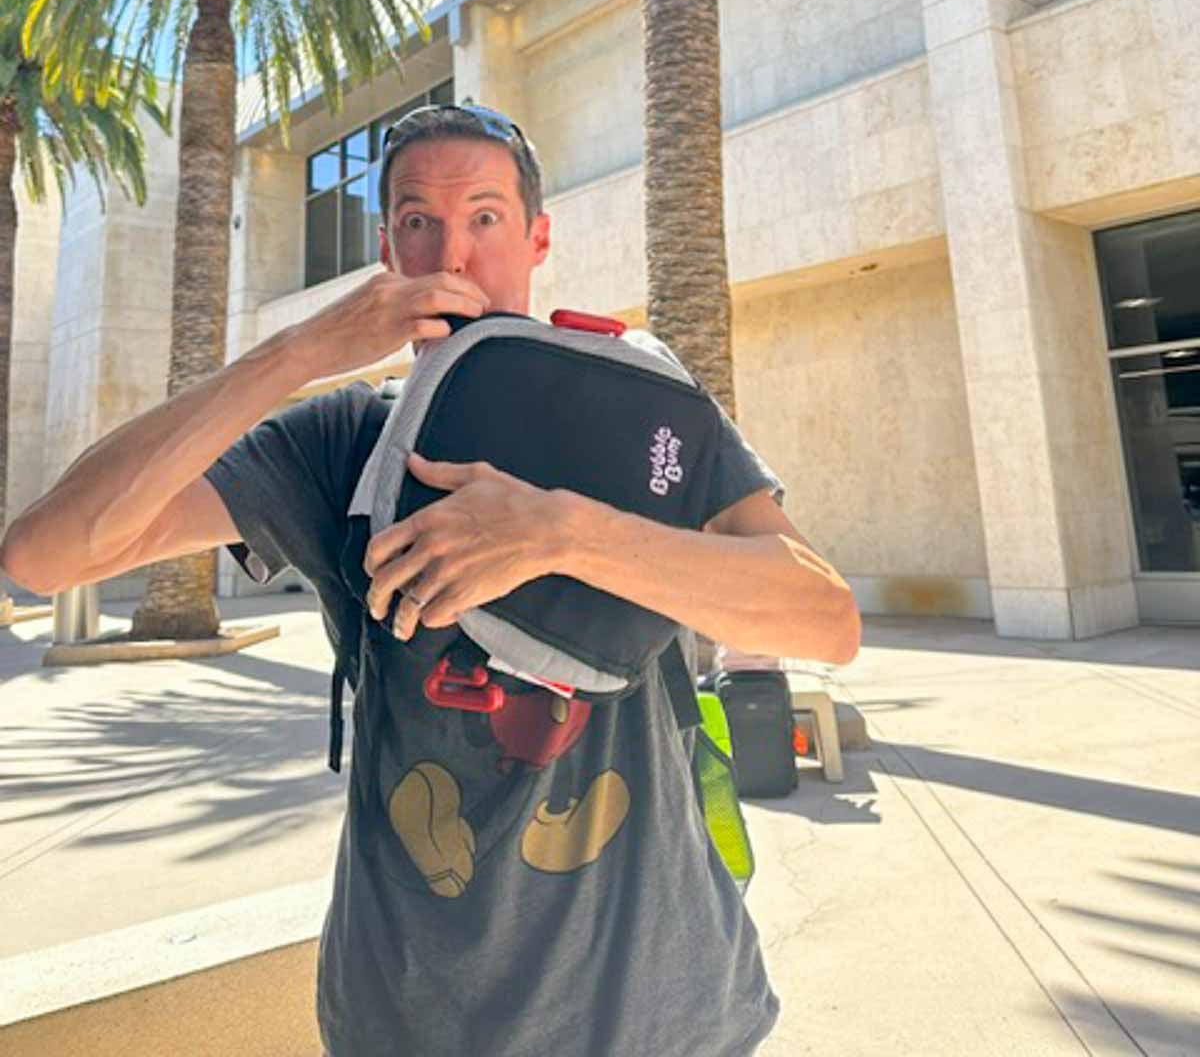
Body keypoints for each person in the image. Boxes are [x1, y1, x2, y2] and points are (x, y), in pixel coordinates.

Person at [1, 101, 860, 1057]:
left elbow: (825, 619)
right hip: (408, 1018)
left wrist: (562, 533)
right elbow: (47, 554)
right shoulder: (343, 441)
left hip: (664, 1013)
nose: (452, 256)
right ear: (388, 249)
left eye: (485, 217)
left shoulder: (637, 403)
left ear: (537, 239)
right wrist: (298, 353)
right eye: (419, 221)